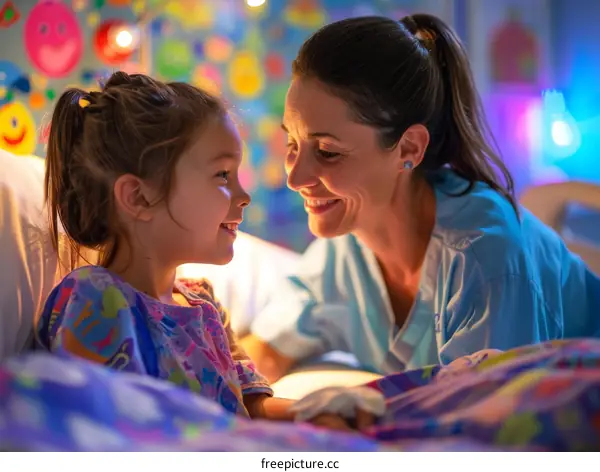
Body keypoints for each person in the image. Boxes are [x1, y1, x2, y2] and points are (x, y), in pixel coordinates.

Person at [241, 14, 600, 382]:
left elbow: (483, 421)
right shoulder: (344, 254)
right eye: (292, 143)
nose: (294, 177)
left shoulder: (484, 259)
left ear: (408, 148)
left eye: (328, 152)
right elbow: (264, 353)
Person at [36, 71, 382, 431]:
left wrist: (317, 413)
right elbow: (107, 435)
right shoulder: (96, 299)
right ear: (139, 197)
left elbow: (253, 409)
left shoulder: (204, 305)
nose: (244, 196)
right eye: (222, 175)